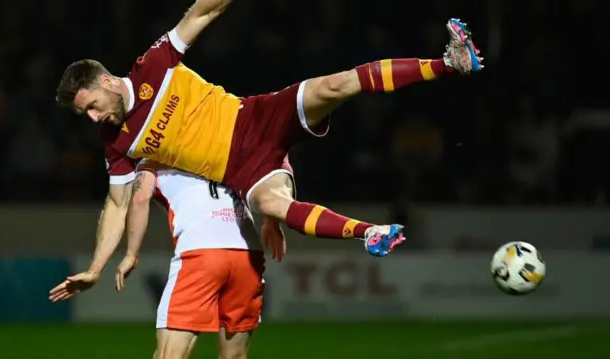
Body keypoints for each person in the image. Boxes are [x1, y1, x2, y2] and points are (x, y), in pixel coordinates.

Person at [51, 0, 483, 293]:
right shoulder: (116, 142)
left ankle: (448, 63)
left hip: (256, 116)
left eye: (91, 106)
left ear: (105, 82)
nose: (93, 119)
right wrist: (95, 267)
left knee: (335, 85)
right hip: (242, 170)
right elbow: (116, 205)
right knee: (273, 208)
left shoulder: (153, 66)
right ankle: (368, 232)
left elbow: (205, 11)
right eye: (84, 115)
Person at [55, 159, 276, 359]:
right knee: (235, 355)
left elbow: (140, 198)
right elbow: (265, 177)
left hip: (202, 252)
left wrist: (132, 253)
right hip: (249, 253)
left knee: (169, 355)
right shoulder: (224, 148)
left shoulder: (154, 158)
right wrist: (272, 222)